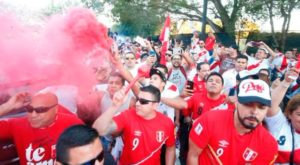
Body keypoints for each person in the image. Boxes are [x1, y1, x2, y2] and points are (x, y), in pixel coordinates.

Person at [187, 79, 278, 164]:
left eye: (261, 107)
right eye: (248, 104)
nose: (255, 112)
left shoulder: (268, 144)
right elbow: (193, 155)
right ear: (236, 102)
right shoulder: (209, 120)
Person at [93, 85, 175, 165]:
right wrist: (114, 106)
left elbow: (170, 148)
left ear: (155, 105)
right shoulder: (128, 115)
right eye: (138, 100)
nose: (138, 104)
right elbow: (98, 130)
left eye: (143, 101)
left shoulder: (167, 123)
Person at [0, 92, 82, 165]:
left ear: (56, 109)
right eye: (29, 109)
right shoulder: (18, 125)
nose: (33, 115)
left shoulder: (71, 123)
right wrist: (8, 106)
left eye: (40, 110)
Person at [265, 67, 300, 164]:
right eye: (299, 114)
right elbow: (270, 106)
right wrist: (286, 82)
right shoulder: (280, 124)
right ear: (289, 114)